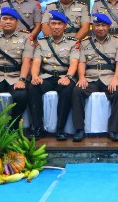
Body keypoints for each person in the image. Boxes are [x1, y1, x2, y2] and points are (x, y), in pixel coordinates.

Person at [72, 13, 118, 142]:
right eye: (97, 25)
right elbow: (82, 63)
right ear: (92, 27)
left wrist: (115, 79)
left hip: (109, 77)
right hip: (90, 77)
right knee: (77, 90)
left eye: (103, 25)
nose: (100, 28)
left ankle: (113, 129)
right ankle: (79, 129)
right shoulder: (84, 43)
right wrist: (81, 77)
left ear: (108, 27)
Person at [28, 11, 79, 141]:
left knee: (68, 90)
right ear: (49, 25)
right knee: (33, 88)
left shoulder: (73, 43)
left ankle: (60, 129)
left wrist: (68, 77)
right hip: (46, 76)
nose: (56, 27)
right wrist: (34, 76)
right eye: (53, 23)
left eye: (59, 24)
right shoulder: (41, 42)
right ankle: (38, 127)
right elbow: (36, 62)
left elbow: (74, 63)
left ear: (65, 26)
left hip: (64, 76)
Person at [0, 7, 35, 125]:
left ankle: (14, 124)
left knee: (21, 95)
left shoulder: (25, 37)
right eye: (5, 18)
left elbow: (26, 61)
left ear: (17, 22)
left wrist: (22, 80)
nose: (8, 21)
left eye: (11, 19)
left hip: (15, 76)